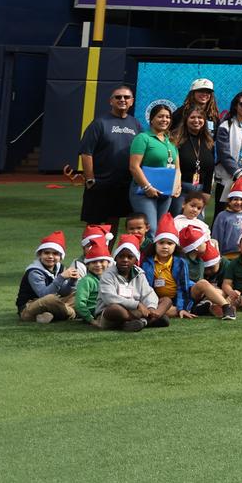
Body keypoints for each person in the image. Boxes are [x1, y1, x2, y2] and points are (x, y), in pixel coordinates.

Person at [77, 85, 142, 226]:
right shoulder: (99, 123)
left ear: (132, 101)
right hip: (100, 184)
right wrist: (90, 179)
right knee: (94, 227)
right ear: (111, 101)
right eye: (118, 97)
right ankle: (94, 249)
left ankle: (108, 250)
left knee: (113, 224)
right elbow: (86, 153)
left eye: (126, 97)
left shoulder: (135, 124)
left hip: (123, 184)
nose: (122, 100)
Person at [127, 101, 181, 235]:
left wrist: (177, 186)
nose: (165, 120)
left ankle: (153, 257)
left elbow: (177, 168)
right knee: (150, 230)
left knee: (161, 231)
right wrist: (147, 187)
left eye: (168, 117)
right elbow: (134, 167)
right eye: (160, 116)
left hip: (166, 193)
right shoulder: (143, 138)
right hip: (144, 192)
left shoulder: (171, 141)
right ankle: (139, 256)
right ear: (151, 119)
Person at [95, 238, 160, 332]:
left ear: (135, 259)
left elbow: (148, 293)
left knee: (166, 300)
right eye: (121, 256)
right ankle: (147, 321)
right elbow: (109, 298)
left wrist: (151, 307)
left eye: (130, 257)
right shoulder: (107, 275)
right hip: (110, 315)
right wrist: (137, 305)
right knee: (114, 308)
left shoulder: (139, 274)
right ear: (115, 258)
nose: (125, 260)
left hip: (136, 311)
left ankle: (141, 320)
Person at [17, 231, 78, 322]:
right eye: (47, 253)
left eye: (55, 254)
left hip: (53, 302)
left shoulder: (60, 267)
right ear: (40, 254)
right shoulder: (34, 271)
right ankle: (71, 313)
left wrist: (72, 281)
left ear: (61, 257)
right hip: (30, 305)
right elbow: (44, 294)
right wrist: (61, 278)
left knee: (78, 293)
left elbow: (63, 292)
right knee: (50, 299)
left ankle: (51, 315)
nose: (50, 256)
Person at [170, 107, 215, 215]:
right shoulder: (176, 139)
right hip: (180, 190)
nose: (196, 120)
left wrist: (207, 192)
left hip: (200, 191)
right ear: (186, 120)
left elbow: (210, 169)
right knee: (178, 222)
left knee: (196, 226)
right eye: (192, 117)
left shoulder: (208, 142)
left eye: (200, 117)